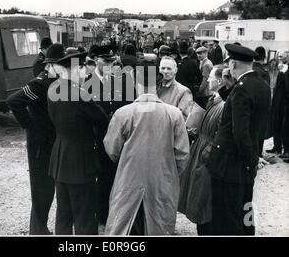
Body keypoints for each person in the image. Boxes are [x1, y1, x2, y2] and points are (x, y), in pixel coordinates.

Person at [103, 59, 189, 235]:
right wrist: (169, 172)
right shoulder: (174, 114)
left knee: (124, 226)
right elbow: (182, 155)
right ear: (158, 82)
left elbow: (112, 149)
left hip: (129, 179)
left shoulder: (123, 113)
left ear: (136, 81)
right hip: (162, 180)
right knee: (160, 225)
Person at [206, 43, 271, 235]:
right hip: (245, 167)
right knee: (245, 213)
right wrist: (252, 160)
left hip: (229, 166)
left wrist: (251, 161)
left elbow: (240, 132)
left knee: (227, 218)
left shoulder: (242, 89)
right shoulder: (262, 85)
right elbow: (251, 122)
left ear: (232, 64)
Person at [47, 50, 109, 235]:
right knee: (85, 216)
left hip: (60, 158)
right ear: (76, 70)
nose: (85, 72)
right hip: (81, 162)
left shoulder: (53, 89)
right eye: (83, 67)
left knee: (63, 214)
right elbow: (102, 119)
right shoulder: (80, 94)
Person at [6, 44, 64, 235]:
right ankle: (38, 230)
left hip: (50, 141)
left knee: (48, 187)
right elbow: (14, 101)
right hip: (40, 143)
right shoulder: (39, 83)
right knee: (41, 188)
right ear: (51, 65)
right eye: (61, 65)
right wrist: (30, 126)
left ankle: (39, 227)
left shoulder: (55, 83)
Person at [86, 44, 132, 226]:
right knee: (98, 178)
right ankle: (100, 215)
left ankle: (113, 214)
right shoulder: (86, 83)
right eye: (105, 60)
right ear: (96, 60)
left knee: (114, 176)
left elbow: (128, 107)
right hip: (96, 138)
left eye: (111, 61)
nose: (109, 64)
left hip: (117, 139)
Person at [178, 64, 227, 235]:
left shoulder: (222, 105)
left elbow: (222, 135)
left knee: (203, 201)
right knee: (198, 198)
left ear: (220, 80)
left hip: (205, 154)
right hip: (201, 149)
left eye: (211, 77)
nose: (208, 79)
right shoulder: (215, 100)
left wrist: (206, 153)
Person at [157, 56, 193, 121]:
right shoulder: (153, 88)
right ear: (159, 69)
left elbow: (183, 118)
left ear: (175, 70)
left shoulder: (184, 91)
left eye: (169, 69)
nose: (165, 71)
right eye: (163, 68)